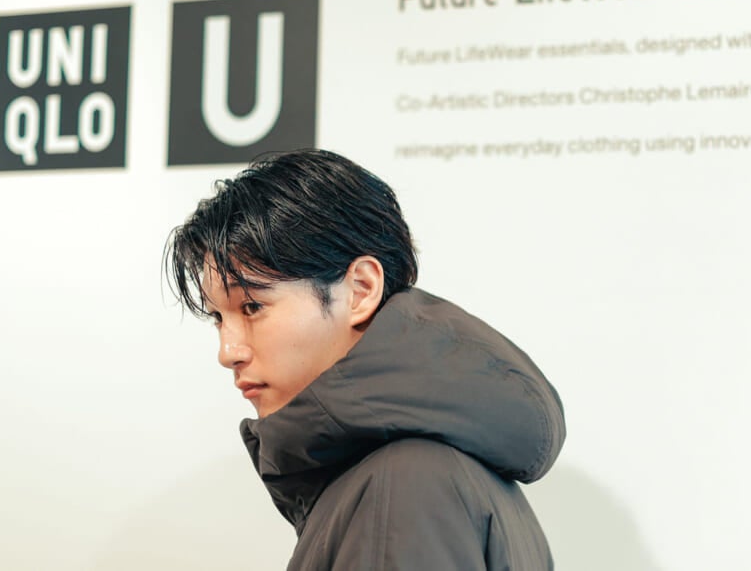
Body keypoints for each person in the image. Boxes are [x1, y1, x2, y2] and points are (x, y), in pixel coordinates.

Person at [166, 149, 566, 570]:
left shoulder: (404, 485)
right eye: (218, 318)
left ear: (360, 289)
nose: (228, 352)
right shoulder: (418, 471)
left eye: (252, 307)